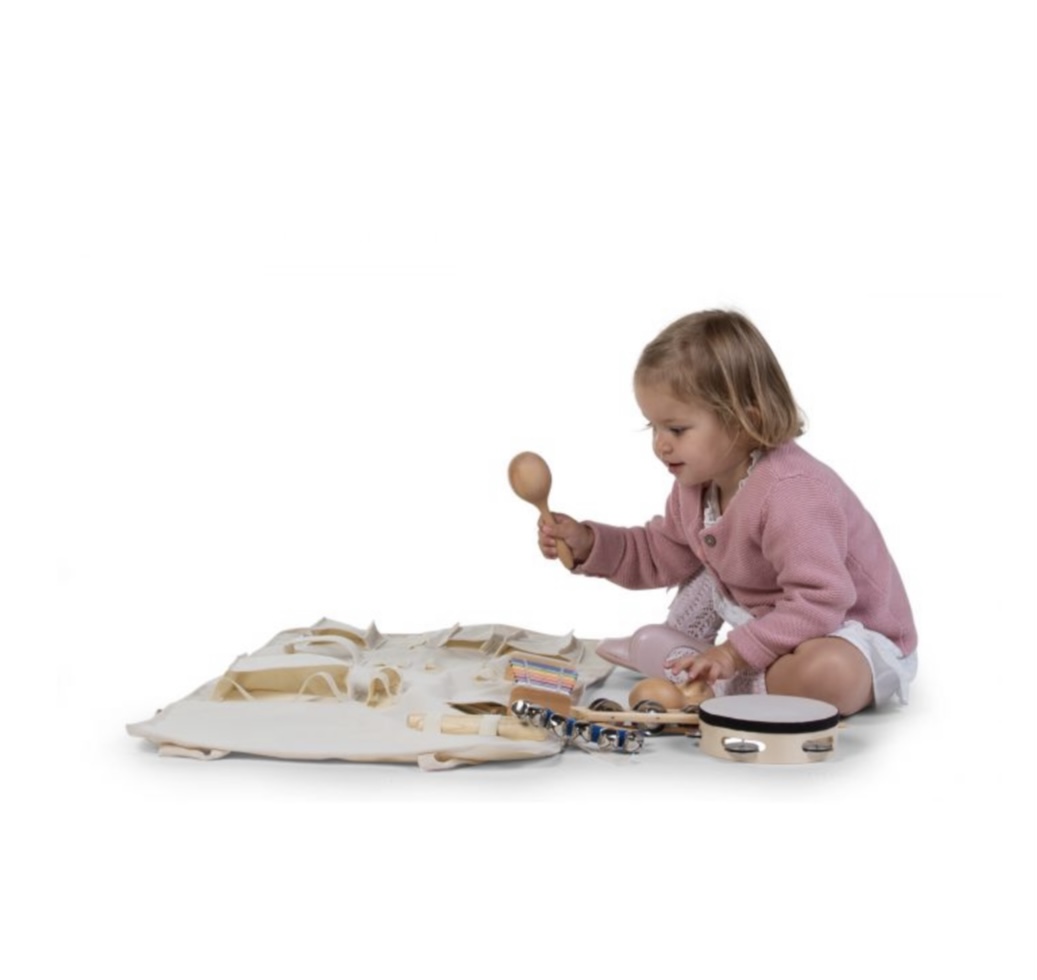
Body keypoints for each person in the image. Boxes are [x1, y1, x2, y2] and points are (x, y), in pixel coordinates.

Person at [536, 310, 917, 716]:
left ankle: (716, 682)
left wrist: (734, 654)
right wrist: (590, 544)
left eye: (677, 429)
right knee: (702, 555)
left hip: (847, 630)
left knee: (830, 674)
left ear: (744, 421)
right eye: (653, 428)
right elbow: (658, 552)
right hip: (773, 619)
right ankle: (692, 659)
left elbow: (822, 601)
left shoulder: (793, 492)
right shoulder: (696, 483)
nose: (660, 445)